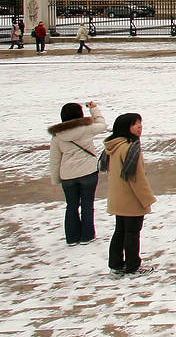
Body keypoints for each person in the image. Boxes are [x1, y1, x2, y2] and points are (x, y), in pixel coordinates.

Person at [48, 101, 107, 246]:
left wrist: (56, 178)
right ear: (80, 114)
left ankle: (72, 238)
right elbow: (102, 124)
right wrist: (94, 108)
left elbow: (55, 160)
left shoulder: (57, 136)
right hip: (88, 172)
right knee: (87, 204)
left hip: (68, 175)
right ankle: (87, 236)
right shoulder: (87, 129)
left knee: (71, 206)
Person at [104, 112, 157, 273]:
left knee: (120, 231)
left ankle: (116, 263)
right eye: (135, 124)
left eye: (140, 122)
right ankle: (133, 265)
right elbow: (136, 178)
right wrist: (147, 198)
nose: (139, 126)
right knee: (132, 233)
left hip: (118, 198)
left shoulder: (114, 146)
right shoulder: (130, 148)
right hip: (130, 198)